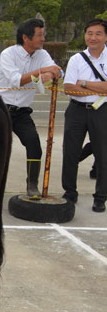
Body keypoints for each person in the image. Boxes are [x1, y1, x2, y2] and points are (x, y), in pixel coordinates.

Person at [0, 18, 63, 199]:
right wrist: (42, 72)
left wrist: (48, 72)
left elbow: (58, 71)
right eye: (40, 35)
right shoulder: (8, 54)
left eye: (43, 34)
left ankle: (32, 185)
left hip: (22, 111)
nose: (43, 38)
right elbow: (16, 80)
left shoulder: (42, 54)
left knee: (34, 145)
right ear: (26, 37)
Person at [61, 18, 107, 212]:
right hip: (77, 110)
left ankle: (100, 198)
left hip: (102, 110)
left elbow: (79, 85)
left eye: (98, 33)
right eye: (89, 33)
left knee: (103, 155)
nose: (92, 37)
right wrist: (101, 88)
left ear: (105, 36)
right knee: (70, 153)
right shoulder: (76, 59)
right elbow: (69, 88)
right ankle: (70, 193)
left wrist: (85, 83)